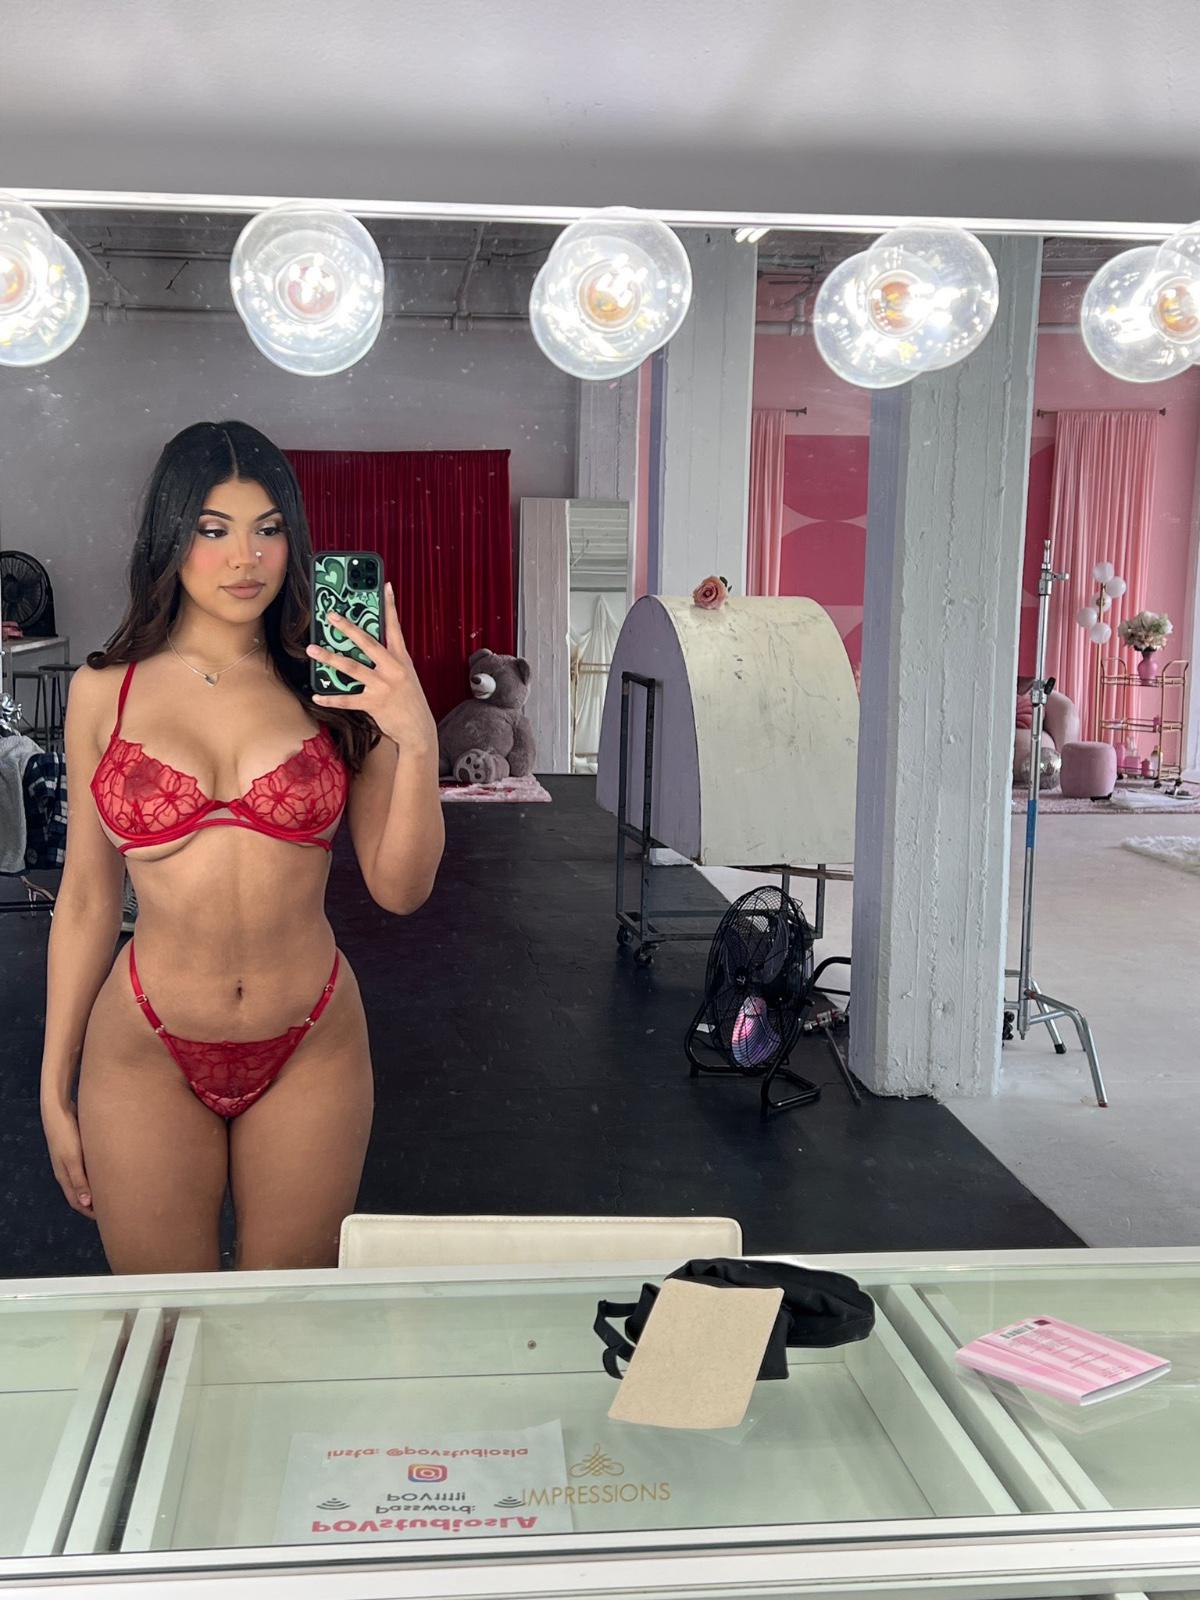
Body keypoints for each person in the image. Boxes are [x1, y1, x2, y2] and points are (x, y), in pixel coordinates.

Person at [39, 421, 444, 1273]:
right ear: (170, 536)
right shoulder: (103, 691)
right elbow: (86, 899)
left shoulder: (337, 687)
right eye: (213, 529)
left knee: (283, 1323)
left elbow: (400, 888)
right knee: (164, 1323)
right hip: (144, 1044)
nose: (245, 557)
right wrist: (53, 1080)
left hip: (311, 1039)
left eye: (269, 528)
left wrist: (416, 738)